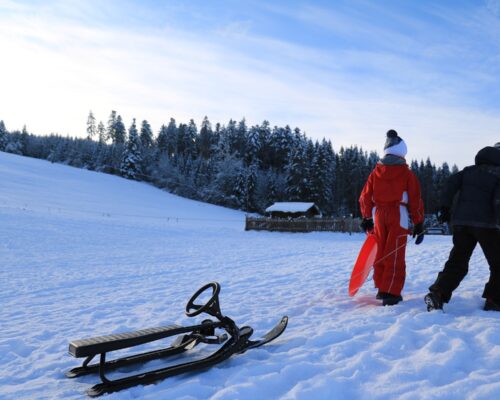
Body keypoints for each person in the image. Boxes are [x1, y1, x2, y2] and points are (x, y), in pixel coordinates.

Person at [425, 144, 500, 312]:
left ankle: (438, 293)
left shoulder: (468, 171)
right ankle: (494, 299)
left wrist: (444, 207)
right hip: (487, 225)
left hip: (461, 222)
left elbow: (450, 184)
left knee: (458, 260)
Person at [359, 130, 425, 306]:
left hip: (378, 214)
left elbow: (365, 196)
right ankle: (391, 292)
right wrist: (418, 222)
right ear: (402, 151)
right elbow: (415, 199)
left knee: (380, 250)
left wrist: (366, 217)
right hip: (398, 213)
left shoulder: (375, 172)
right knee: (395, 251)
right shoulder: (407, 174)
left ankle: (382, 288)